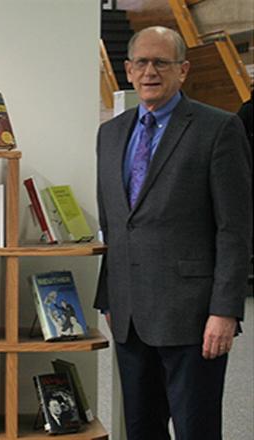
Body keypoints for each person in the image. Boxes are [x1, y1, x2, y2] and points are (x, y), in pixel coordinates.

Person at [94, 26, 251, 440]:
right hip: (129, 315)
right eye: (142, 62)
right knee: (141, 428)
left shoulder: (218, 129)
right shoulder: (110, 134)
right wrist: (109, 296)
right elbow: (115, 222)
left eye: (161, 62)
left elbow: (234, 230)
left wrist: (225, 310)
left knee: (195, 429)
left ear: (183, 70)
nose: (150, 71)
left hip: (192, 316)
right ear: (128, 70)